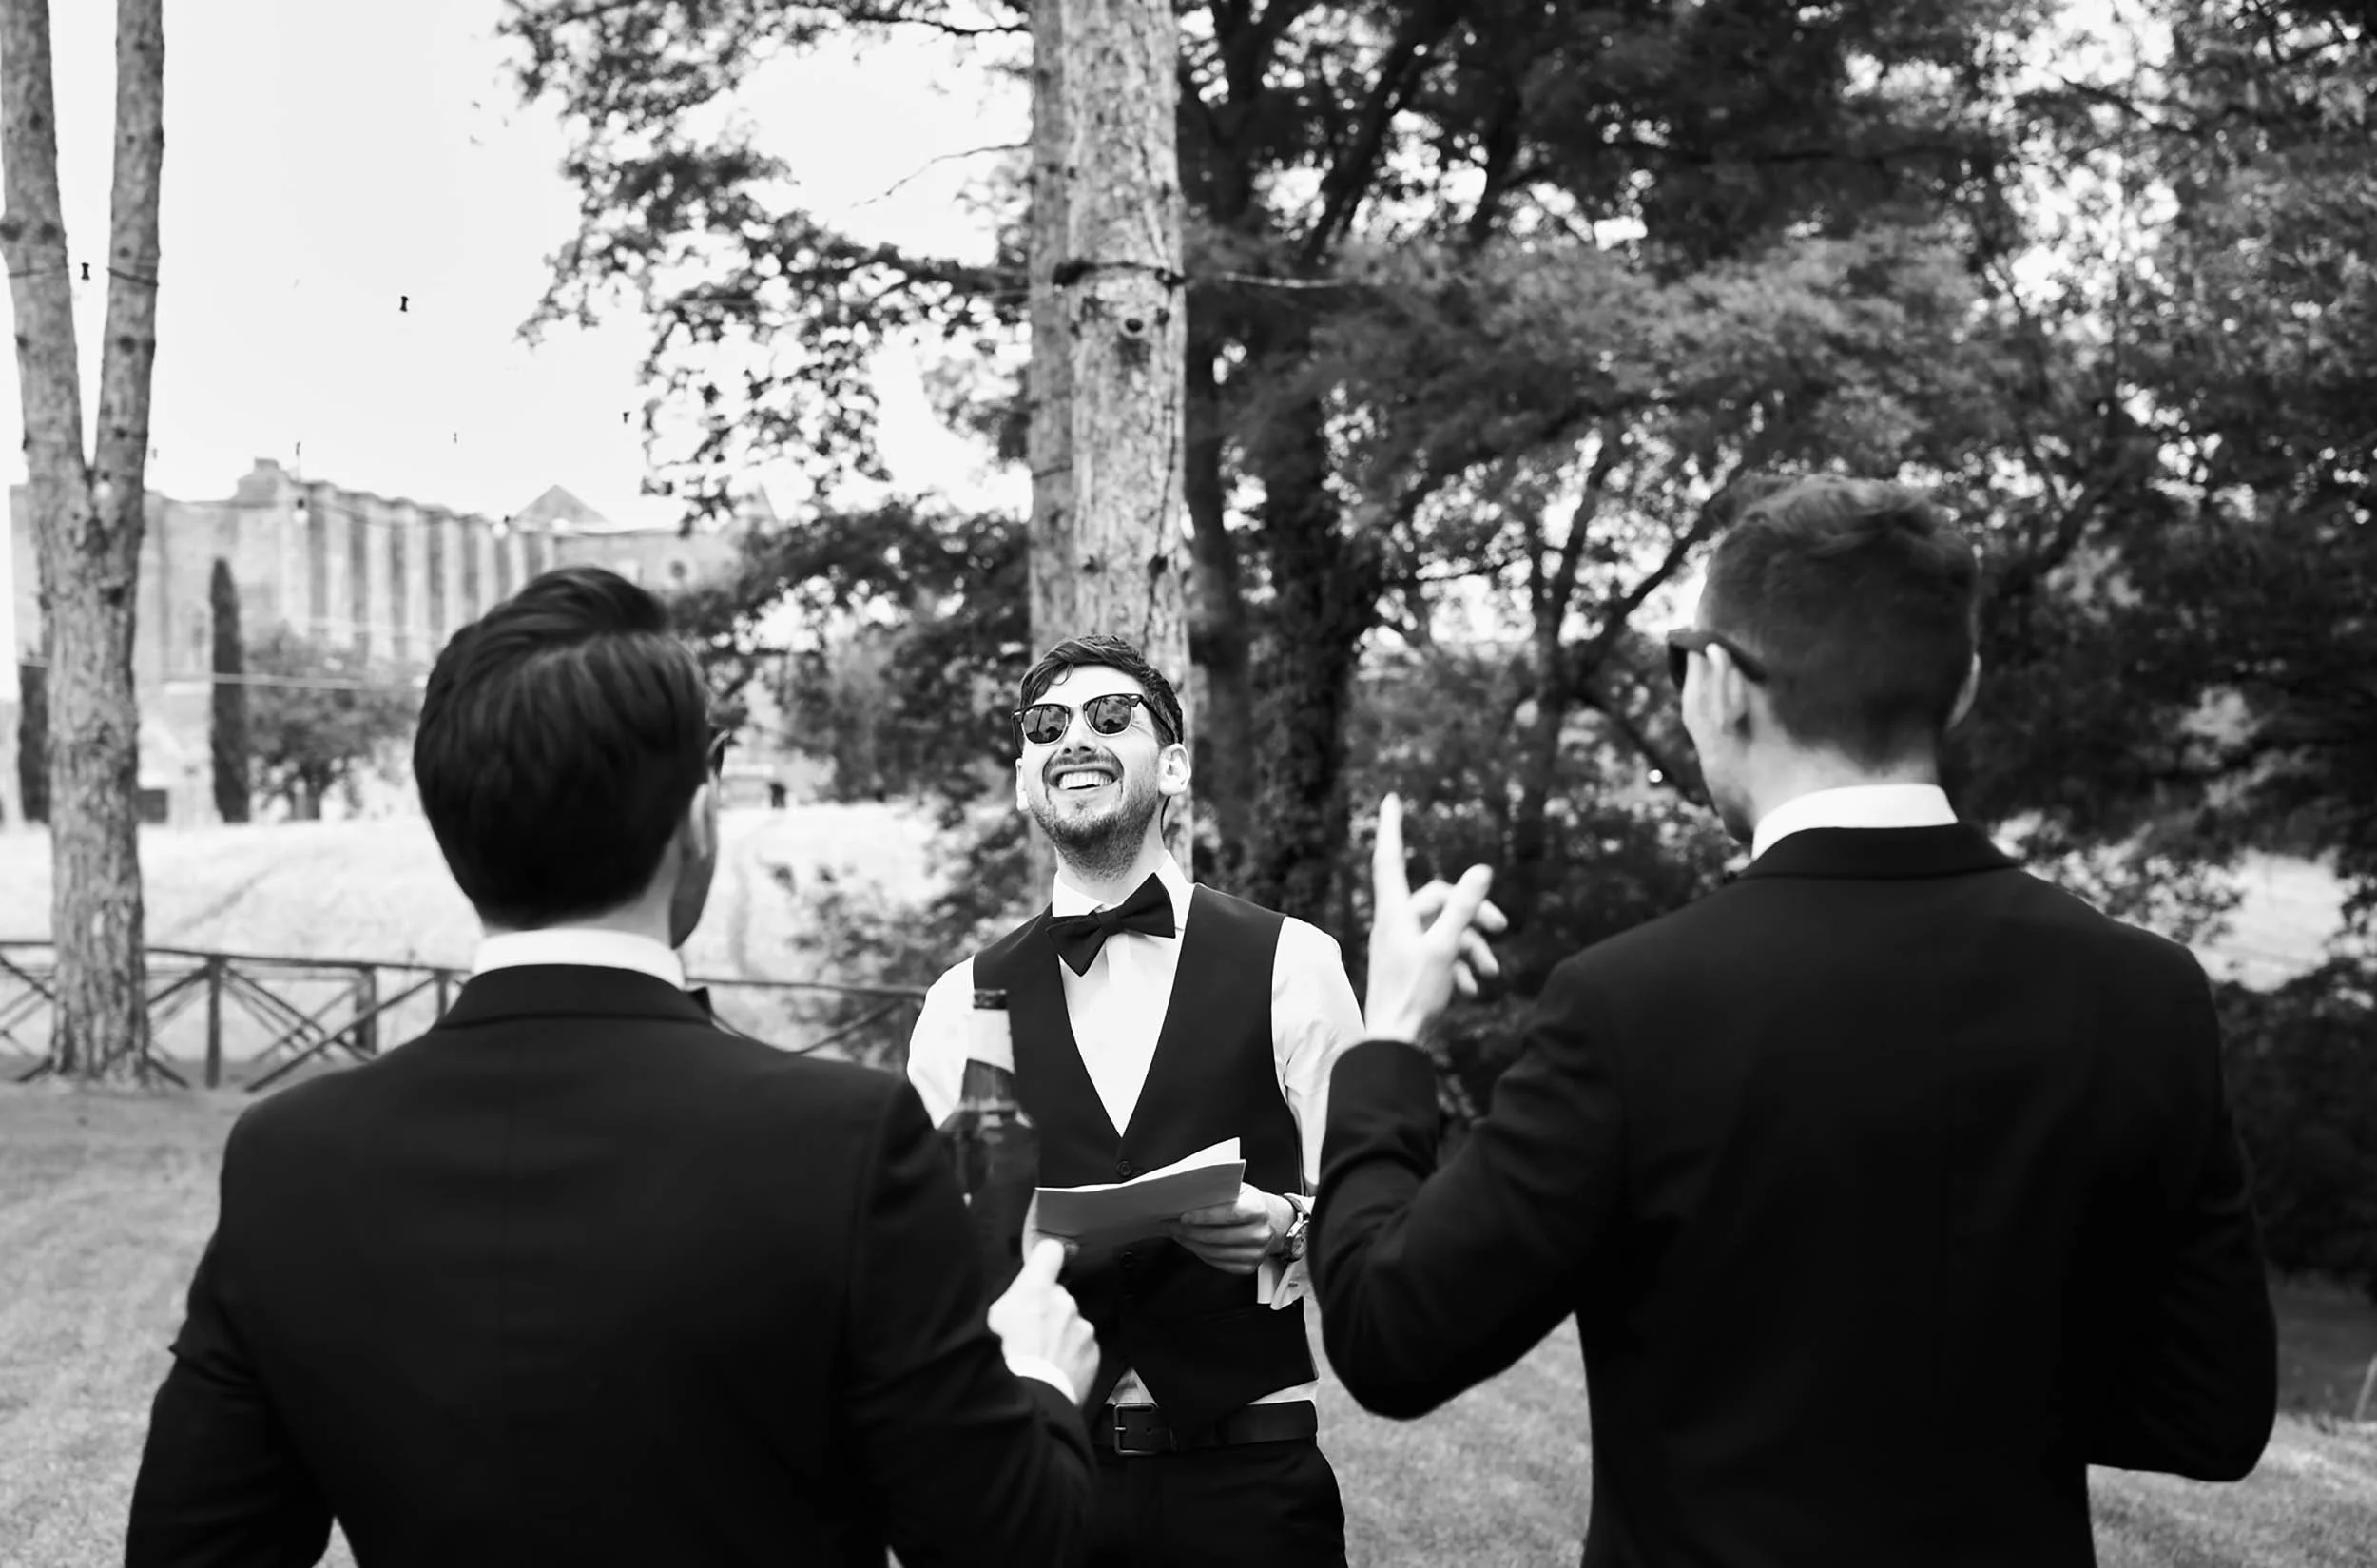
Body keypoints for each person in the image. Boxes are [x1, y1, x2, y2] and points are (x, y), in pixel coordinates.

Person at [1314, 476, 2279, 1567]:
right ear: (1959, 689)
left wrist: (1390, 1035)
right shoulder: (2145, 992)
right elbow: (2215, 1410)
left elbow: (1388, 1333)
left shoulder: (1631, 1007)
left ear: (1719, 681)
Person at [126, 567, 1101, 1568]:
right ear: (698, 813)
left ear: (448, 819)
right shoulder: (846, 1144)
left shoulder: (289, 1161)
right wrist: (1032, 1372)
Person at [908, 634, 1365, 1568]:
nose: (1074, 736)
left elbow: (1381, 1216)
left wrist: (1282, 1225)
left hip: (1248, 1475)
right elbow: (925, 1262)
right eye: (1046, 724)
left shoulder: (1294, 960)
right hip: (1045, 1483)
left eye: (1111, 715)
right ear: (1025, 778)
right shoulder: (960, 1000)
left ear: (1175, 765)